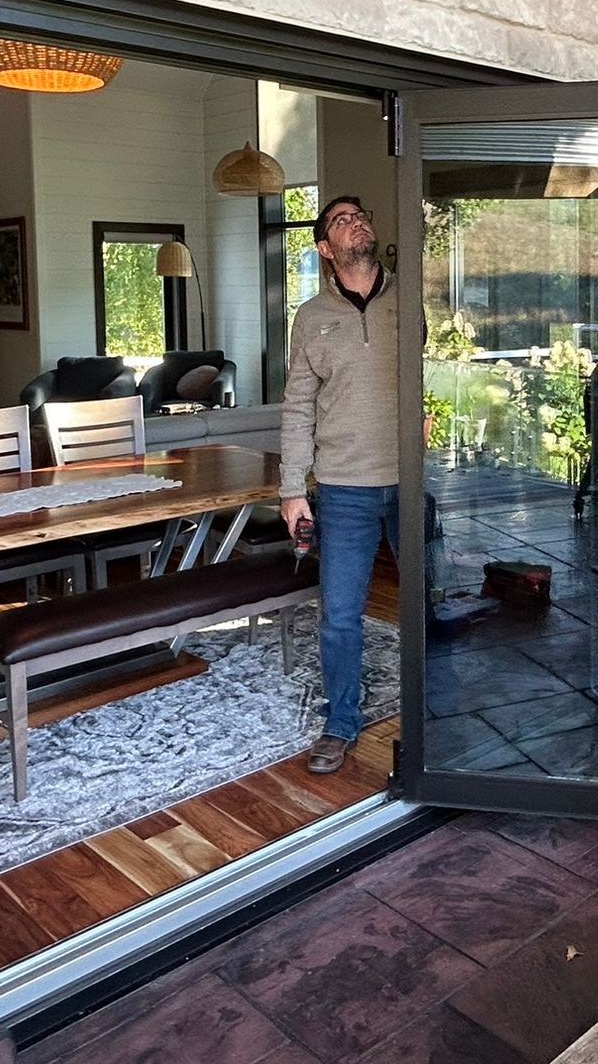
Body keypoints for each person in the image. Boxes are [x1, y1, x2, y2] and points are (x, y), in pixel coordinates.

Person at [279, 195, 397, 774]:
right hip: (344, 487)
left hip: (412, 481)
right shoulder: (311, 317)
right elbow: (298, 406)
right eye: (341, 221)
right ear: (326, 249)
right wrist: (291, 489)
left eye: (359, 214)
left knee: (430, 603)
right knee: (341, 614)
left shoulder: (410, 299)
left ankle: (440, 715)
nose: (356, 221)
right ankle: (341, 721)